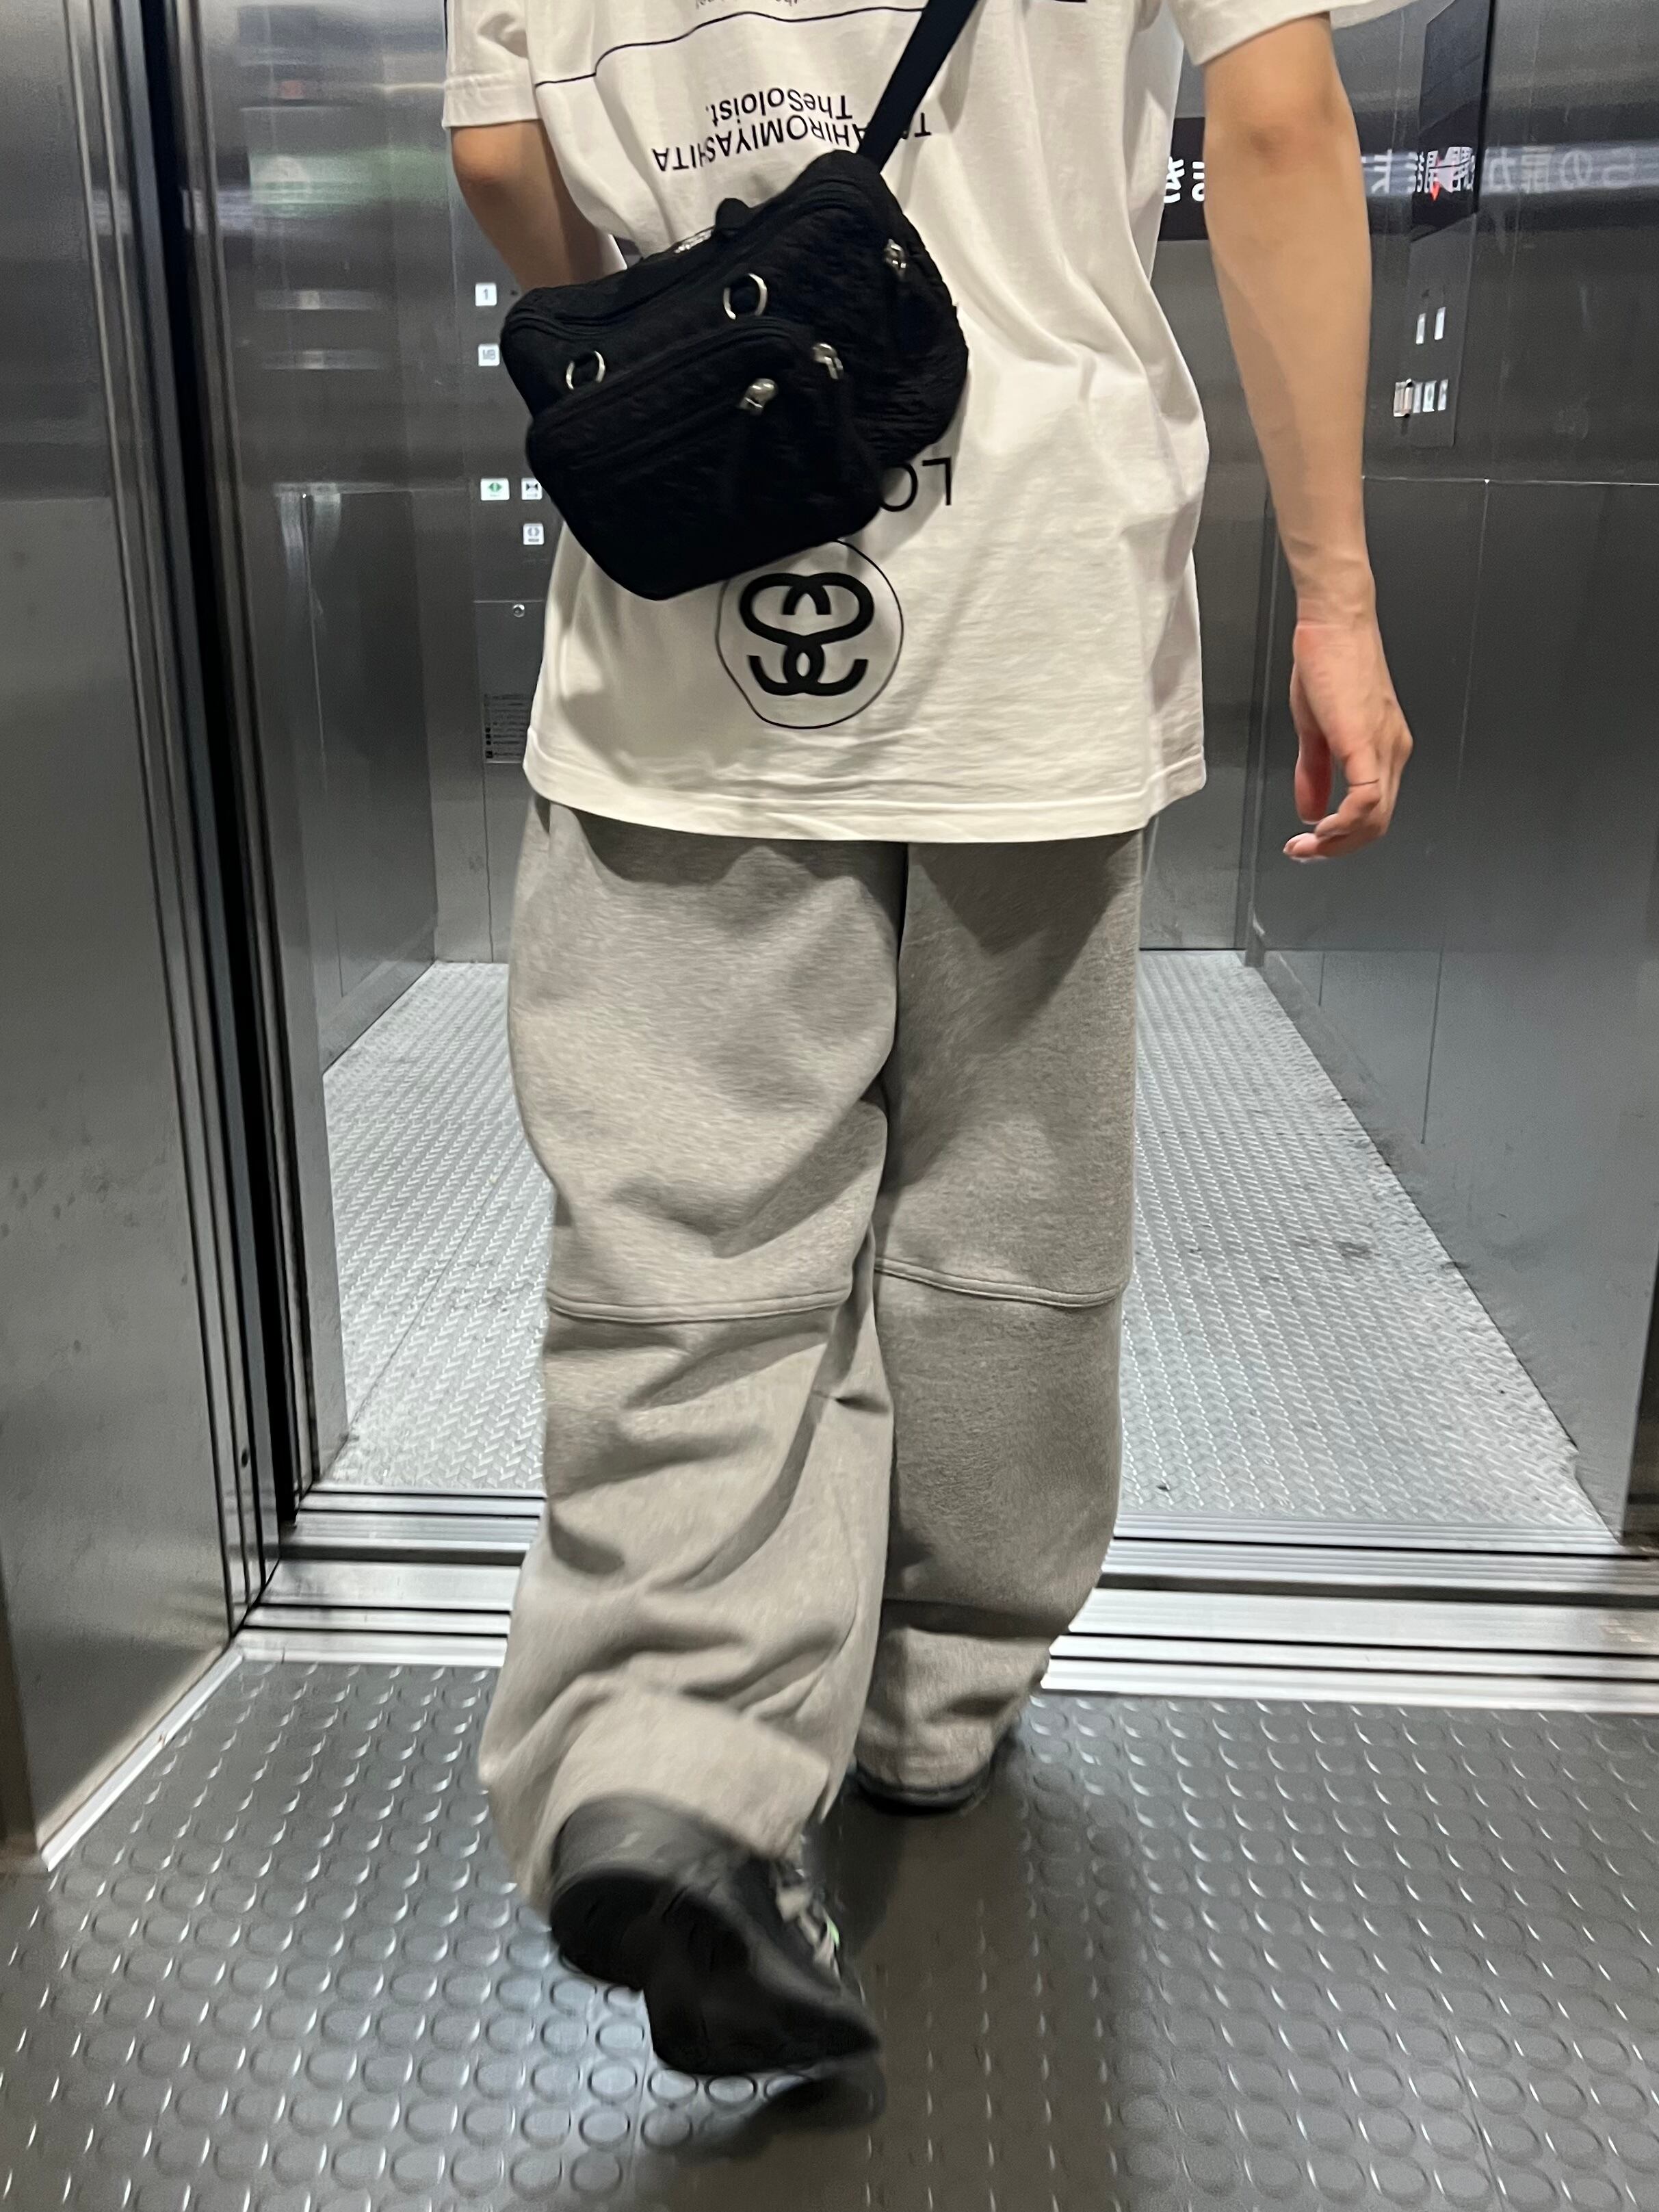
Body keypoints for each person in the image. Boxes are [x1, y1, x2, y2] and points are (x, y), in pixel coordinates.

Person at [444, 0, 1415, 2076]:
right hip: (1031, 599)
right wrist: (1331, 596)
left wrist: (691, 333)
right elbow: (1274, 125)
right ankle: (932, 1708)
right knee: (1001, 1213)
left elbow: (499, 162)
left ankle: (670, 1758)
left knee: (690, 1237)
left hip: (689, 601)